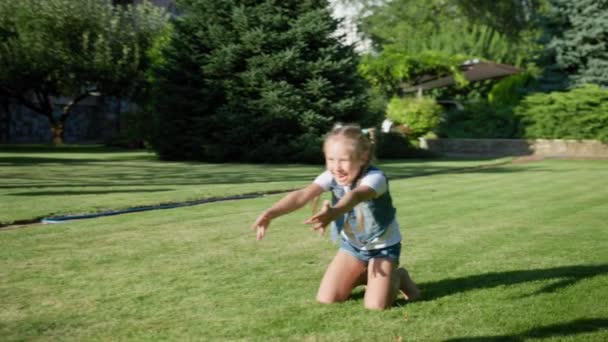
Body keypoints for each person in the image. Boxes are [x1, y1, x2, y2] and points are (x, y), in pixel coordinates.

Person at [251, 124, 420, 310]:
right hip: (353, 246)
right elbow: (302, 195)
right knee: (327, 298)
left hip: (383, 248)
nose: (336, 167)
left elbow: (355, 196)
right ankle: (369, 277)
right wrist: (271, 213)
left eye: (343, 160)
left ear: (362, 157)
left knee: (376, 306)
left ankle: (398, 276)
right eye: (330, 159)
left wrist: (334, 212)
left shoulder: (375, 179)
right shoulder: (330, 176)